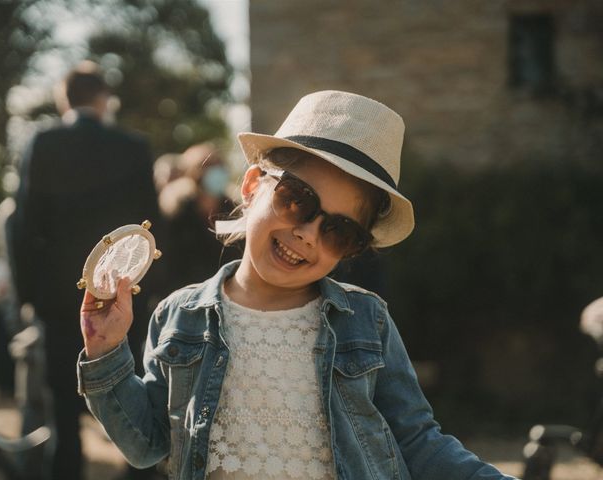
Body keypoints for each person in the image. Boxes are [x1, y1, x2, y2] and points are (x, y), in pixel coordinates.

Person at [76, 91, 516, 479]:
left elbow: (419, 442)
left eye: (339, 231)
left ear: (352, 249)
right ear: (251, 186)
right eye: (296, 199)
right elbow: (147, 446)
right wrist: (105, 353)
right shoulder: (179, 317)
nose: (308, 233)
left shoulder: (367, 322)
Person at [11, 61, 159, 480]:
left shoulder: (43, 143)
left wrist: (29, 297)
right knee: (134, 400)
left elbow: (24, 228)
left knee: (63, 411)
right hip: (122, 297)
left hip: (60, 303)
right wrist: (145, 293)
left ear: (64, 100)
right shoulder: (132, 147)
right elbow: (150, 227)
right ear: (103, 99)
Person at [155, 142, 240, 298]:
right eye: (209, 166)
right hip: (186, 297)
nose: (217, 170)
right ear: (193, 173)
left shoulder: (234, 210)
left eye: (219, 164)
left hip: (227, 296)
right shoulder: (177, 212)